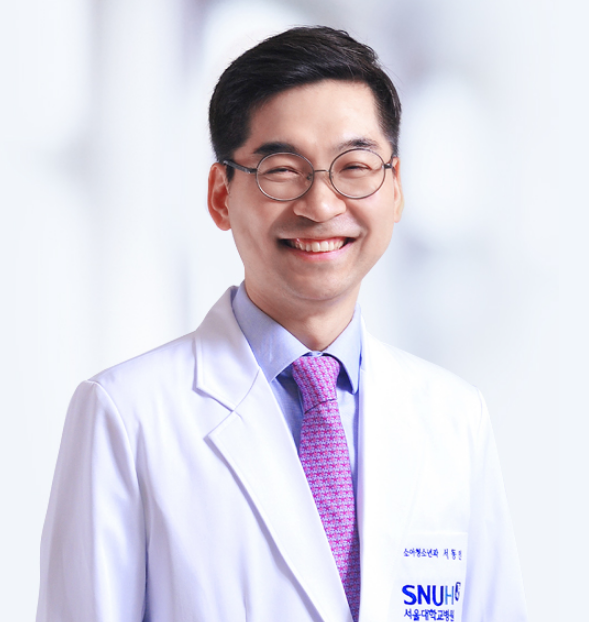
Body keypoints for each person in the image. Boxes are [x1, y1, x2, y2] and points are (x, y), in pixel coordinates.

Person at [37, 26, 527, 622]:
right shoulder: (126, 416)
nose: (321, 205)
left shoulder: (455, 419)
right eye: (282, 169)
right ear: (221, 195)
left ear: (396, 189)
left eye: (355, 166)